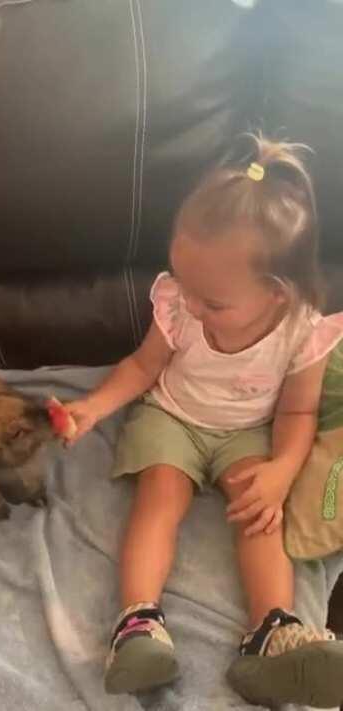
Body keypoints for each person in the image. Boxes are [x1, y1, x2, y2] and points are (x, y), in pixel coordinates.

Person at [65, 134, 343, 705]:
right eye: (184, 286)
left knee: (259, 518)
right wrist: (93, 406)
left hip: (249, 433)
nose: (191, 304)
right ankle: (137, 625)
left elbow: (298, 410)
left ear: (276, 295)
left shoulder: (302, 331)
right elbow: (143, 367)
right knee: (160, 499)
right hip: (172, 416)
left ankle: (273, 634)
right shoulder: (180, 301)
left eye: (211, 302)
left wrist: (283, 471)